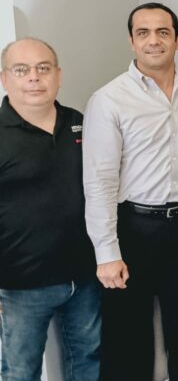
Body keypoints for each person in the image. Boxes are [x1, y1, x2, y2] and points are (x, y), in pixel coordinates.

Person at [83, 3, 178, 381]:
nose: (153, 40)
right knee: (128, 338)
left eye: (163, 32)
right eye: (143, 33)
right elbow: (99, 180)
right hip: (133, 228)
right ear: (132, 41)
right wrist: (106, 252)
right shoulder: (108, 99)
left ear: (177, 39)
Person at [0, 38, 100, 381]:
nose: (34, 77)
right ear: (4, 79)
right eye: (21, 70)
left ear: (58, 75)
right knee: (20, 372)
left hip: (84, 278)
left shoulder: (80, 122)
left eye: (43, 68)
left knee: (87, 362)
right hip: (21, 286)